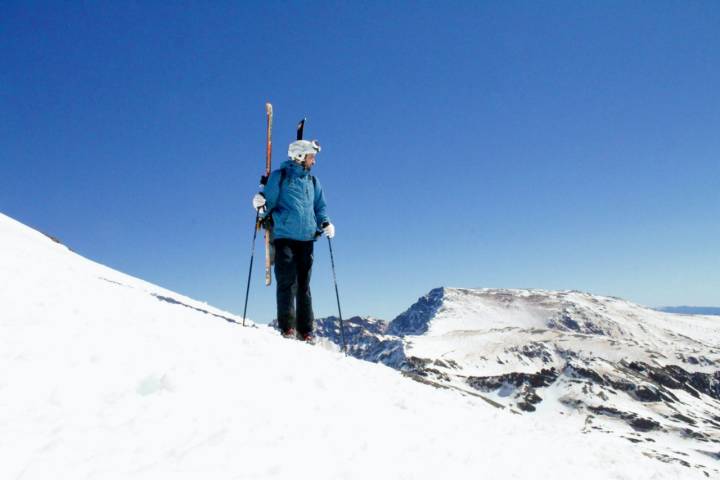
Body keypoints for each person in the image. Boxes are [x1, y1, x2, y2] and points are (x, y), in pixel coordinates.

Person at [252, 139, 335, 342]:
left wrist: (325, 223)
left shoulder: (313, 182)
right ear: (300, 156)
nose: (313, 162)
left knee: (304, 285)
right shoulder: (279, 178)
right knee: (287, 282)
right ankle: (287, 328)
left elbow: (320, 207)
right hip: (285, 237)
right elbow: (267, 204)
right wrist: (260, 205)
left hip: (307, 238)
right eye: (311, 157)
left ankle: (306, 331)